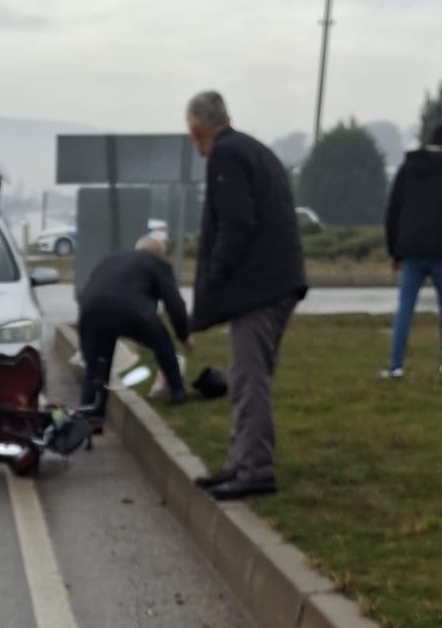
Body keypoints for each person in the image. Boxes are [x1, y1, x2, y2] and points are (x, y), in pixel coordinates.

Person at [185, 91, 307, 501]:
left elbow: (236, 223)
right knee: (245, 377)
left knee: (249, 380)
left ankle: (254, 469)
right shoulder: (252, 150)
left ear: (197, 130)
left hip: (260, 287)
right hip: (276, 281)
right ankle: (239, 463)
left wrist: (215, 278)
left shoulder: (226, 155)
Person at [78, 233, 193, 414]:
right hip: (132, 311)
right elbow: (174, 303)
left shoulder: (110, 259)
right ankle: (177, 393)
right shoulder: (157, 264)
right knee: (164, 346)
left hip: (91, 311)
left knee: (96, 367)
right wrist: (184, 335)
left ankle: (89, 415)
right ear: (159, 253)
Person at [382, 123, 442, 378]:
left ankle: (396, 366)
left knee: (405, 308)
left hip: (411, 249)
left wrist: (394, 251)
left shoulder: (408, 168)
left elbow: (393, 211)